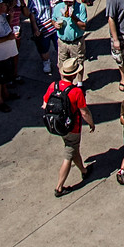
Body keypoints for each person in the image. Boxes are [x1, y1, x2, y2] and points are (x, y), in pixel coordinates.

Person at [44, 56, 93, 196]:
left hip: (58, 126)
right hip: (72, 128)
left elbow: (44, 103)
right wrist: (91, 124)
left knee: (73, 150)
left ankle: (84, 170)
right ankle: (59, 187)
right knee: (68, 155)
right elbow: (84, 112)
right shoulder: (76, 92)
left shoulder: (53, 86)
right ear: (74, 74)